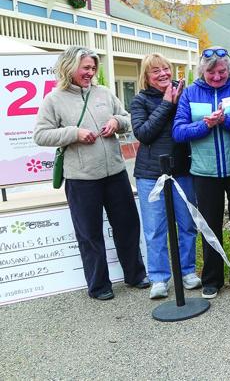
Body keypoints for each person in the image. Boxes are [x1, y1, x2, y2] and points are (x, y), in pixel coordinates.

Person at [34, 46, 148, 300]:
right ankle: (99, 286)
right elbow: (40, 135)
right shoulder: (54, 99)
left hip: (115, 173)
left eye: (93, 68)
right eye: (85, 67)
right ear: (69, 67)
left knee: (128, 225)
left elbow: (126, 117)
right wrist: (74, 133)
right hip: (82, 179)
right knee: (89, 233)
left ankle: (135, 275)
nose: (90, 72)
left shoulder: (104, 93)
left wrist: (117, 123)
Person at [172, 48, 230, 299]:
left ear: (228, 70)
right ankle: (212, 279)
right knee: (209, 226)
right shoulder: (190, 93)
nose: (217, 77)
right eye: (211, 72)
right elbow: (178, 132)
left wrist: (226, 121)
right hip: (205, 172)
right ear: (202, 71)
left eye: (221, 72)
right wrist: (205, 125)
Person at [130, 54, 201, 299]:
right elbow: (143, 133)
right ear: (146, 77)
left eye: (166, 69)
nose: (163, 74)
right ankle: (159, 278)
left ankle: (187, 271)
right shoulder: (140, 101)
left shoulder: (184, 94)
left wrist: (178, 101)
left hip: (183, 170)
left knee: (187, 225)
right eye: (155, 71)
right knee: (155, 229)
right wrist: (166, 104)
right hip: (151, 174)